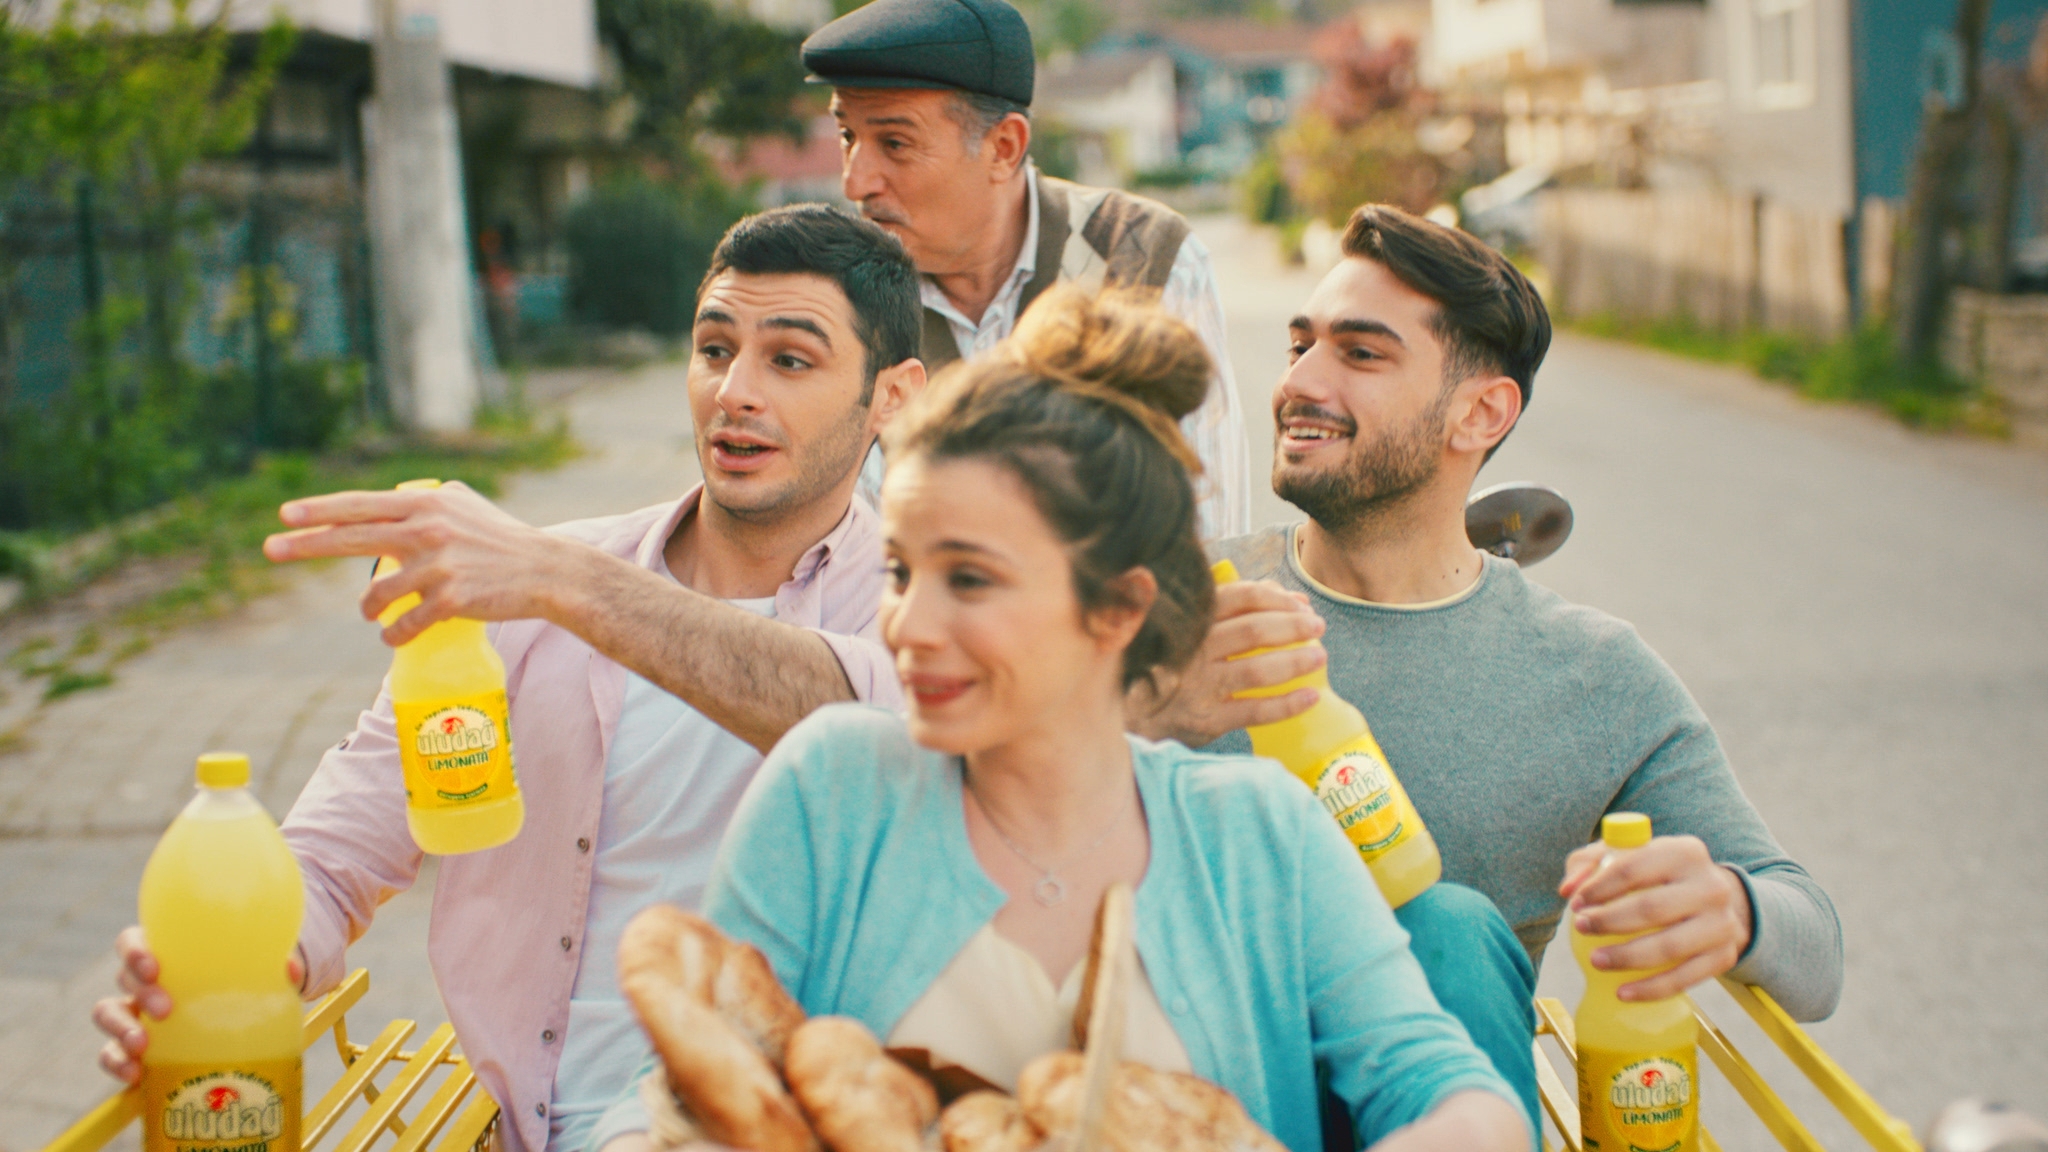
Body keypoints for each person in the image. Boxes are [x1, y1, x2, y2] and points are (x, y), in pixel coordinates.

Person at [589, 288, 1529, 1152]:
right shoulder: (834, 788)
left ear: (1119, 607)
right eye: (900, 573)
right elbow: (672, 1090)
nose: (908, 626)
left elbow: (1457, 1097)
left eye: (971, 579)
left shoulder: (1257, 836)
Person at [89, 205, 927, 1152]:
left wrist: (565, 580)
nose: (733, 391)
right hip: (522, 1128)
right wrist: (230, 966)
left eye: (790, 360)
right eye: (712, 348)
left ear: (892, 397)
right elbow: (342, 847)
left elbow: (868, 722)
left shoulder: (930, 607)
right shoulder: (535, 591)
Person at [1134, 204, 1845, 1141]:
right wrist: (1148, 706)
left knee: (1446, 928)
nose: (1298, 381)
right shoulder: (1180, 602)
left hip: (1438, 1103)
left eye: (1360, 354)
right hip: (1185, 1090)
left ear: (1482, 412)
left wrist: (1730, 907)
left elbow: (1816, 953)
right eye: (1300, 345)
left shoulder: (1590, 675)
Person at [804, 0, 1251, 540]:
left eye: (895, 143)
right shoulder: (840, 299)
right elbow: (831, 550)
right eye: (848, 137)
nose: (855, 183)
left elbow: (1209, 536)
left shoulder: (1145, 258)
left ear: (1005, 146)